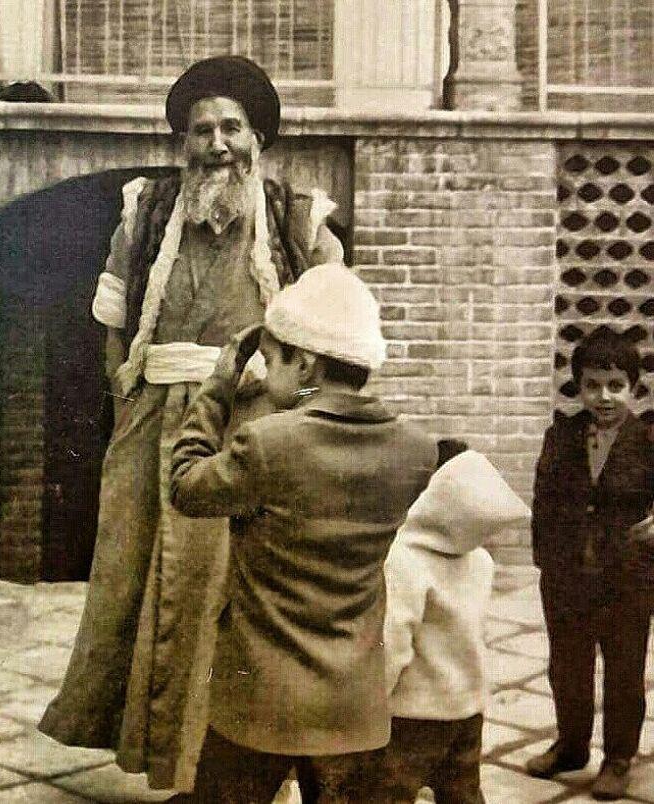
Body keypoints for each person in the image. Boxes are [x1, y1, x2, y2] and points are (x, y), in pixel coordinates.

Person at [39, 55, 343, 792]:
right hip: (152, 424)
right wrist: (126, 398)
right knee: (136, 584)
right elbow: (115, 322)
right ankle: (166, 757)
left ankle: (234, 768)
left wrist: (295, 407)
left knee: (231, 594)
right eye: (201, 130)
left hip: (250, 427)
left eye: (231, 128)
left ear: (257, 137)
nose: (217, 144)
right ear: (183, 141)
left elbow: (333, 328)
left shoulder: (298, 217)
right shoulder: (145, 212)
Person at [167, 263, 438, 801]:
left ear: (306, 362)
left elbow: (184, 484)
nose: (266, 373)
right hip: (352, 705)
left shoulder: (267, 444)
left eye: (272, 360)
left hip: (259, 702)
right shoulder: (417, 450)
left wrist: (220, 382)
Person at [526, 326, 654, 800]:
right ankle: (571, 745)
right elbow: (543, 503)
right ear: (578, 386)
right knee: (567, 667)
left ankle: (618, 758)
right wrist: (546, 564)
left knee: (623, 671)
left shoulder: (648, 440)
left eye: (616, 385)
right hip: (567, 578)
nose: (604, 397)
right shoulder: (560, 436)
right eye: (593, 385)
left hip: (627, 580)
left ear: (634, 388)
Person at [382, 445, 530, 803]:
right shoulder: (481, 561)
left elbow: (394, 641)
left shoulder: (403, 561)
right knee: (462, 791)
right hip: (466, 708)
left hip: (413, 713)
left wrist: (374, 700)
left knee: (391, 792)